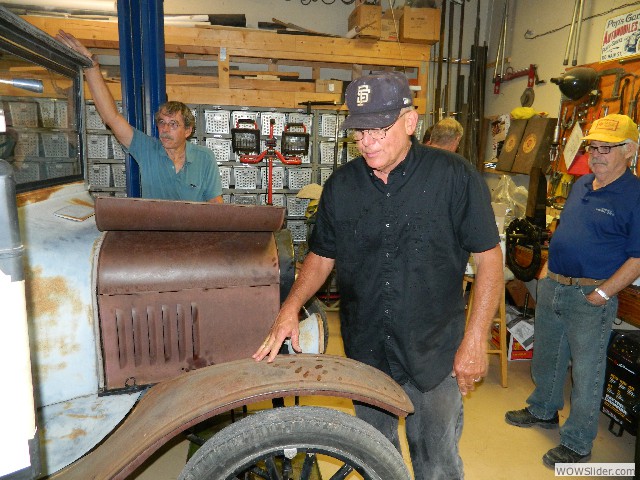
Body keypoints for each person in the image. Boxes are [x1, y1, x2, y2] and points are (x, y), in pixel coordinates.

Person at [254, 71, 503, 479]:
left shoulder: (454, 178)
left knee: (437, 463)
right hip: (368, 349)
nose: (367, 142)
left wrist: (475, 339)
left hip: (433, 351)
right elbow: (321, 256)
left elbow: (490, 260)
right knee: (373, 458)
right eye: (359, 131)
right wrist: (290, 308)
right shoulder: (341, 187)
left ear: (410, 122)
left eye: (379, 129)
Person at [505, 113, 640, 467]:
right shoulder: (582, 183)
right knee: (548, 355)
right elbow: (566, 228)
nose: (595, 155)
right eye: (592, 147)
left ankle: (579, 443)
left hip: (591, 296)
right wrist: (549, 268)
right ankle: (543, 409)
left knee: (587, 371)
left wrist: (604, 294)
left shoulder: (635, 195)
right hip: (555, 285)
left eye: (605, 148)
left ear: (630, 150)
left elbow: (638, 258)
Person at [56, 30, 223, 203]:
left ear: (188, 130)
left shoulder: (205, 157)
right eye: (161, 123)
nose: (165, 129)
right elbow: (112, 117)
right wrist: (91, 68)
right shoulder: (147, 150)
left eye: (173, 124)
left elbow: (215, 203)